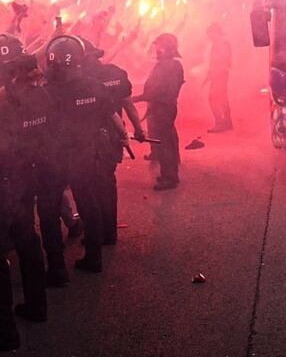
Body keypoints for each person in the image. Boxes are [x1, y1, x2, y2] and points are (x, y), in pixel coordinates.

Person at [38, 35, 126, 278]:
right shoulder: (93, 86)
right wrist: (125, 136)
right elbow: (112, 116)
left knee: (48, 211)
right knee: (89, 205)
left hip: (51, 160)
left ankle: (56, 270)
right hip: (85, 157)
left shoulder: (42, 92)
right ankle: (94, 259)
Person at [0, 37, 49, 351]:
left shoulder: (5, 103)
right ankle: (37, 305)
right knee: (27, 238)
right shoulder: (44, 97)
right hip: (30, 176)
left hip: (6, 179)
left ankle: (6, 333)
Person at [80, 38, 146, 245]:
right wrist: (138, 129)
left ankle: (99, 232)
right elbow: (128, 105)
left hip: (91, 140)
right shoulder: (116, 72)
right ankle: (109, 232)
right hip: (114, 138)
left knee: (91, 186)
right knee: (107, 184)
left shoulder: (82, 79)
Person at [133, 33, 184, 191]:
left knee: (164, 143)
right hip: (165, 107)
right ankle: (170, 173)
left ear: (164, 47)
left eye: (158, 45)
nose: (156, 49)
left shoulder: (167, 65)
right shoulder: (172, 65)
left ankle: (170, 177)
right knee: (168, 140)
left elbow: (158, 90)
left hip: (162, 108)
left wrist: (136, 98)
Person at [204, 23, 233, 133]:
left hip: (219, 75)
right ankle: (227, 122)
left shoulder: (220, 44)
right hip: (219, 75)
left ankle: (220, 123)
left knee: (214, 99)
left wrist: (213, 74)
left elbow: (221, 62)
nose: (209, 37)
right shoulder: (220, 44)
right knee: (222, 99)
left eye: (210, 34)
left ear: (216, 33)